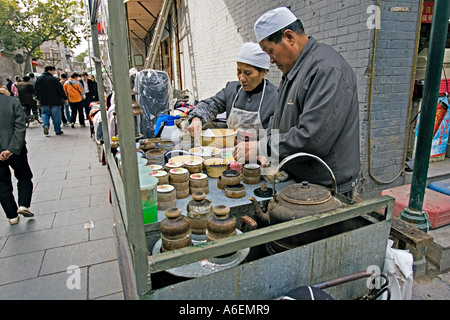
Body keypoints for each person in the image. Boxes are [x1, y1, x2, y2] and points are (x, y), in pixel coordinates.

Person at [238, 7, 360, 199]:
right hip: (300, 179)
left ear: (289, 37)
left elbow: (314, 138)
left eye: (270, 51)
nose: (270, 60)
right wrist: (261, 145)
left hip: (327, 187)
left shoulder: (326, 70)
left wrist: (264, 147)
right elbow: (279, 123)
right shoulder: (293, 71)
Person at [188, 42, 278, 141]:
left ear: (263, 72)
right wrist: (197, 119)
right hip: (230, 151)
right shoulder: (232, 90)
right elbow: (210, 105)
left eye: (248, 73)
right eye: (239, 72)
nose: (242, 78)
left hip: (258, 154)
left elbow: (276, 138)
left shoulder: (276, 96)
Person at [0, 83, 35, 225]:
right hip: (16, 149)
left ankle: (12, 216)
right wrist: (11, 149)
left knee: (2, 184)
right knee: (24, 176)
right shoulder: (13, 102)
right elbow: (20, 127)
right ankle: (23, 205)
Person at [35, 66, 68, 136]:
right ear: (50, 70)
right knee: (56, 117)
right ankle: (57, 130)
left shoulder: (39, 79)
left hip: (44, 101)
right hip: (55, 101)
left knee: (44, 114)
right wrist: (65, 98)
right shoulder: (54, 79)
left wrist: (38, 99)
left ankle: (46, 125)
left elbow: (37, 91)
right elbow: (60, 90)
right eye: (53, 71)